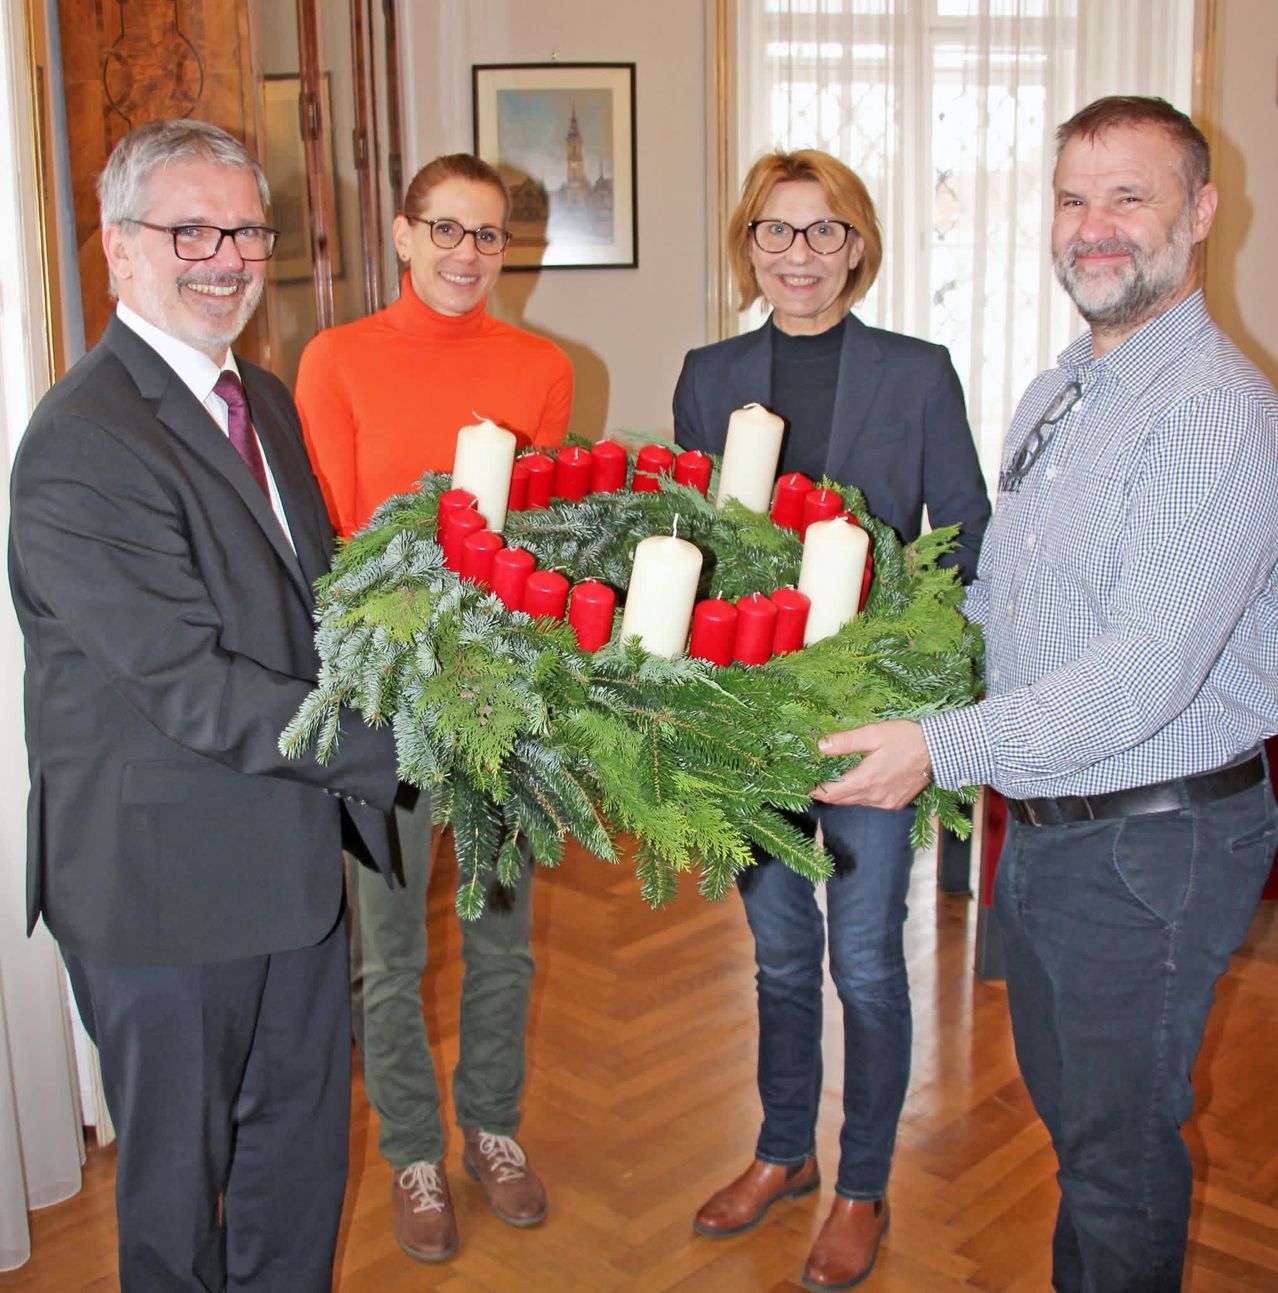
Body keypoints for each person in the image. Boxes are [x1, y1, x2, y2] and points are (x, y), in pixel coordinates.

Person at [816, 96, 1278, 1292]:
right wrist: (861, 655)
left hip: (1155, 842)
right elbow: (1006, 607)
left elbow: (1143, 674)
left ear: (1201, 213)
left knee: (1118, 1158)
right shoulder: (1067, 390)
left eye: (1131, 196)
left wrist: (937, 743)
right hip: (1061, 832)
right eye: (1076, 200)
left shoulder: (1211, 414)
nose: (1095, 228)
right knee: (1082, 1135)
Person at [8, 119, 398, 1291]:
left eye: (245, 229)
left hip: (286, 861)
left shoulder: (259, 396)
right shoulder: (81, 441)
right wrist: (394, 742)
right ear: (119, 249)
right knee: (178, 1207)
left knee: (297, 1170)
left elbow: (312, 608)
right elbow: (185, 681)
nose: (225, 257)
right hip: (160, 894)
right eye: (191, 230)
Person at [674, 149, 990, 1291]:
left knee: (864, 961)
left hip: (869, 720)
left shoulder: (916, 372)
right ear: (746, 243)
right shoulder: (710, 375)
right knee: (777, 956)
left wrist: (918, 665)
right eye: (774, 230)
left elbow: (962, 533)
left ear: (856, 245)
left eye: (822, 232)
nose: (797, 255)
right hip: (754, 715)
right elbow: (691, 545)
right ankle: (780, 1154)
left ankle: (861, 1185)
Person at [294, 153, 573, 1263]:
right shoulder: (335, 359)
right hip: (381, 695)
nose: (467, 254)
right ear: (403, 236)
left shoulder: (542, 365)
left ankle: (492, 1130)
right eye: (446, 231)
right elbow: (327, 540)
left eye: (488, 235)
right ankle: (413, 1147)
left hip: (498, 690)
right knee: (387, 946)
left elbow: (539, 534)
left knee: (502, 937)